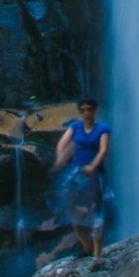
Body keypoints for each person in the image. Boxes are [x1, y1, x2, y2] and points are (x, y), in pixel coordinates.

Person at [50, 97, 111, 258]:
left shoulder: (103, 129)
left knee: (97, 211)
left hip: (95, 174)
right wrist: (60, 158)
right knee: (70, 207)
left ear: (94, 110)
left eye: (89, 109)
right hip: (76, 173)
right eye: (83, 110)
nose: (86, 113)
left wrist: (93, 166)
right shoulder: (75, 127)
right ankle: (86, 246)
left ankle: (97, 256)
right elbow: (62, 143)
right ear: (79, 112)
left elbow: (103, 150)